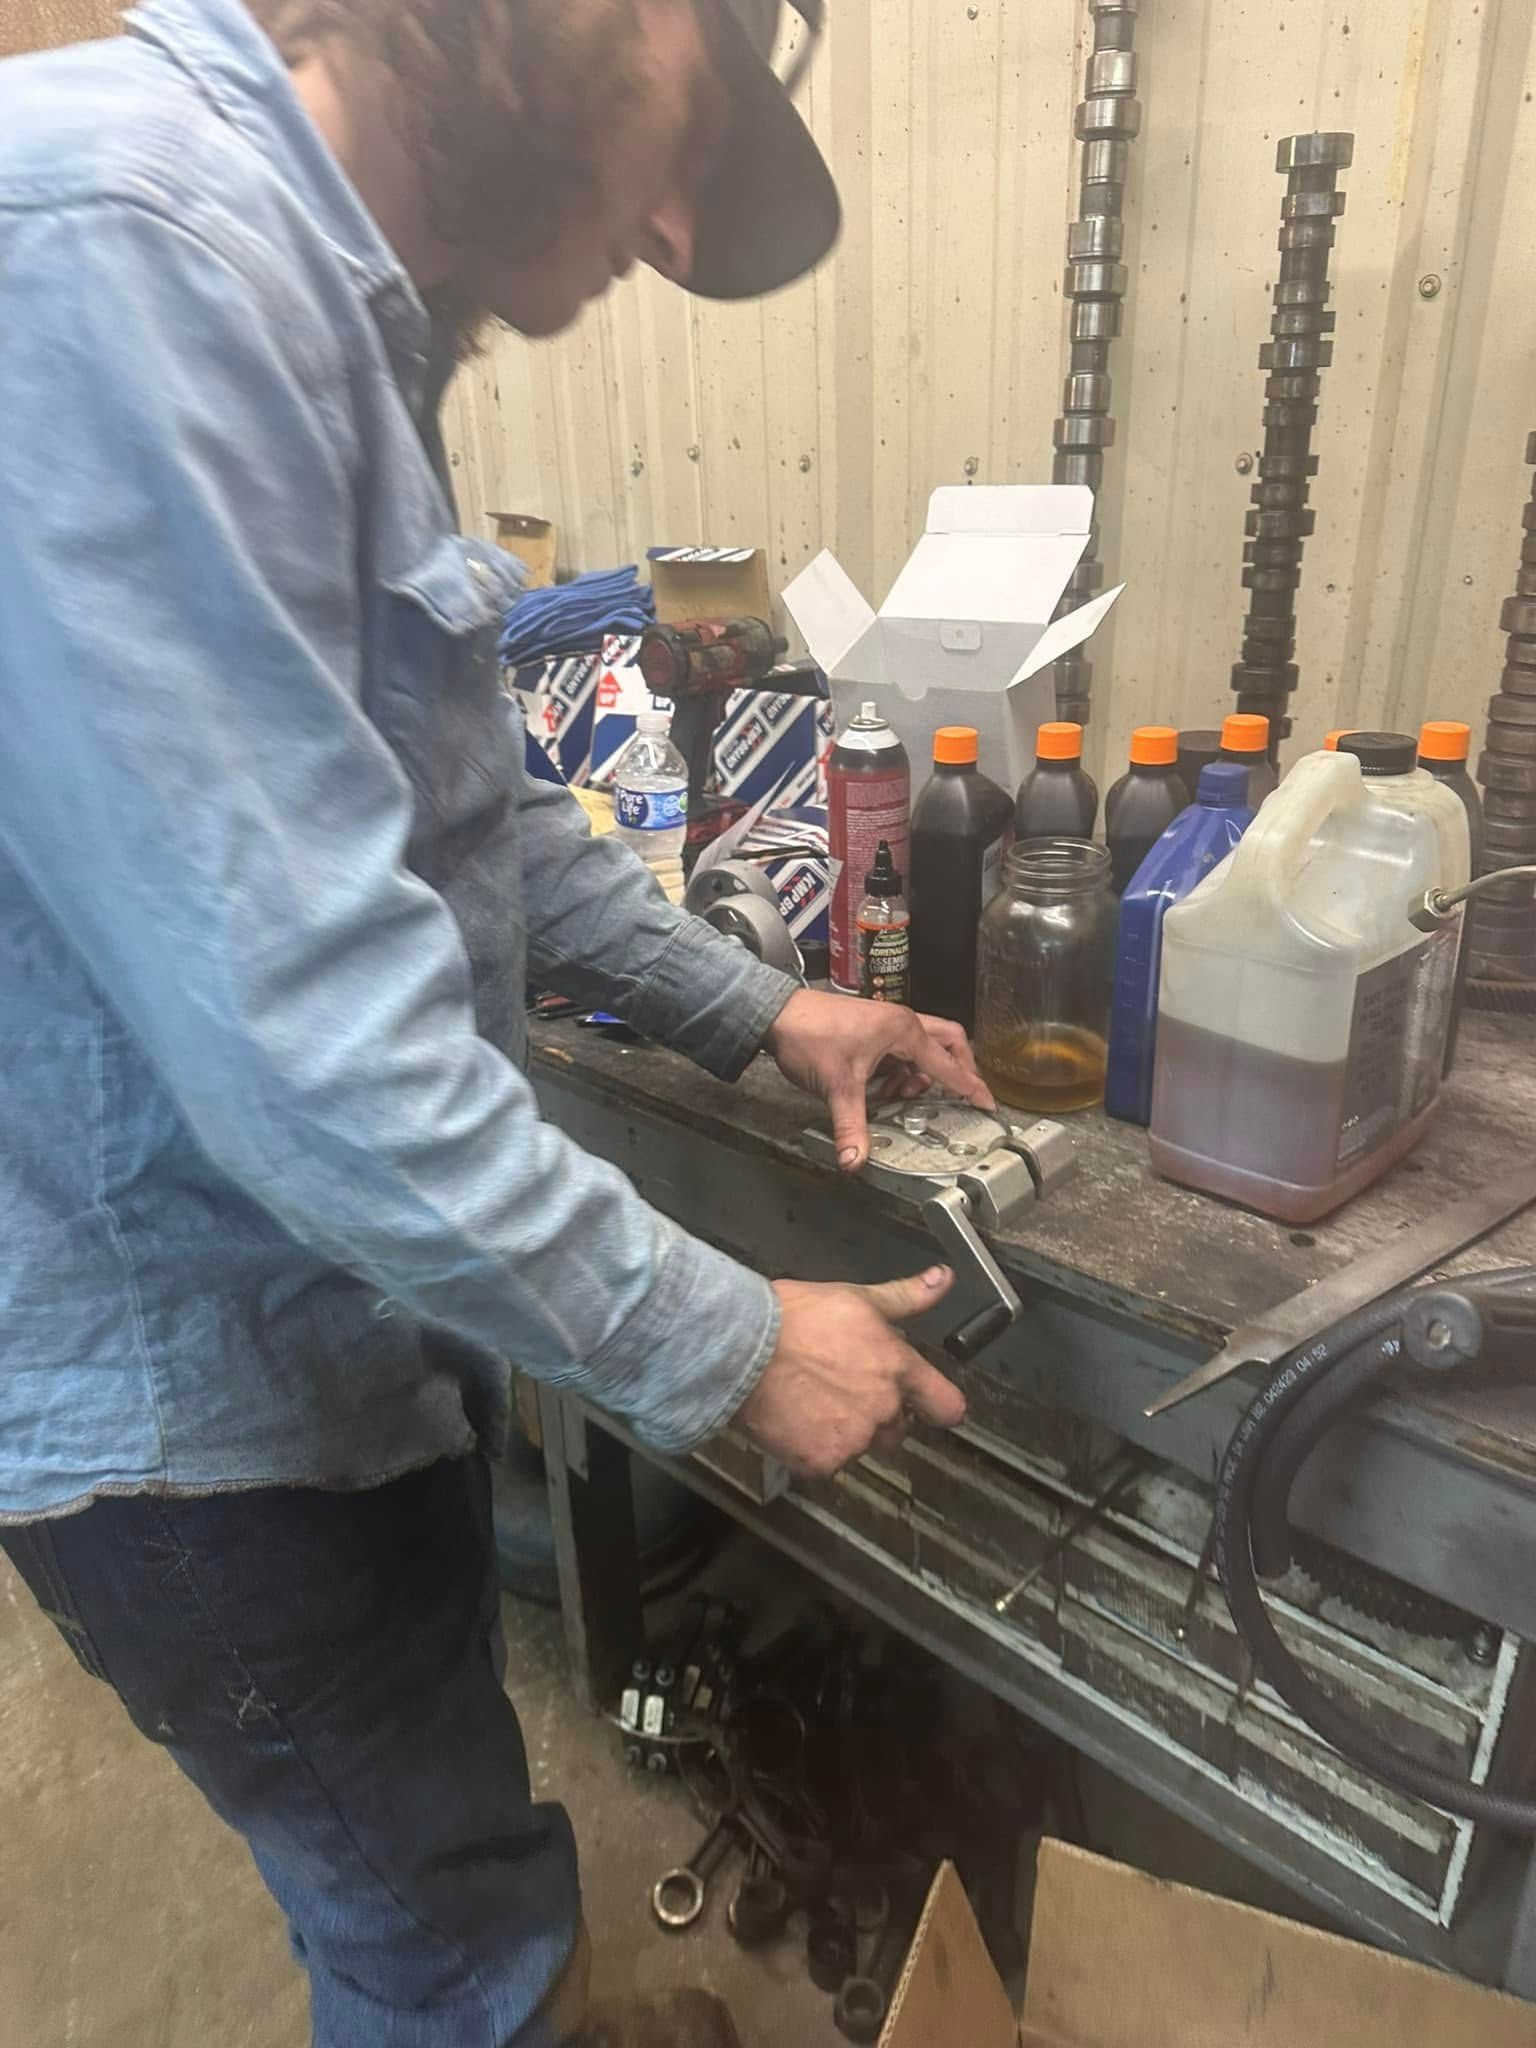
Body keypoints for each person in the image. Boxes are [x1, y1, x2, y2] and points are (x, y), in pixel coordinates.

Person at [0, 3, 990, 2042]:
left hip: (343, 1332)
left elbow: (484, 809)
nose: (675, 233)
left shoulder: (332, 312)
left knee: (448, 1857)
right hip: (203, 1410)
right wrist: (727, 1342)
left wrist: (766, 1010)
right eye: (691, 134)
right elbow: (308, 1051)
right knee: (448, 1942)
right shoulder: (123, 254)